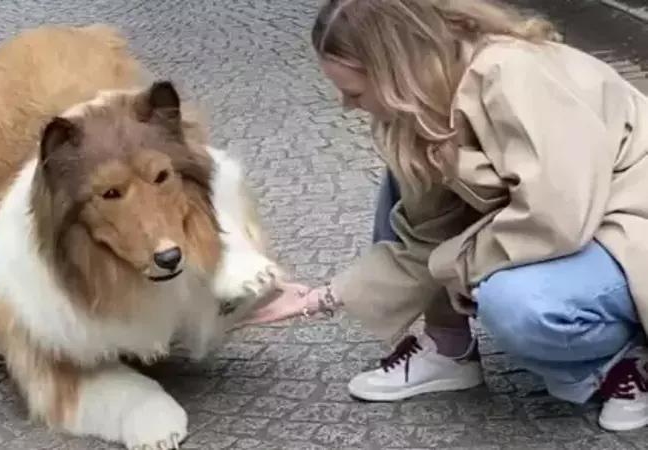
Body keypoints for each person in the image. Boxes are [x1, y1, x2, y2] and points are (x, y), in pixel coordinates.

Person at [246, 0, 648, 432]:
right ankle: (447, 346)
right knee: (404, 187)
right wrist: (320, 298)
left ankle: (624, 358)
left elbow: (556, 219)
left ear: (396, 69)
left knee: (520, 304)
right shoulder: (422, 109)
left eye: (355, 92)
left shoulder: (511, 74)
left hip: (628, 222)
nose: (347, 105)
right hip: (578, 225)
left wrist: (455, 264)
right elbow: (424, 234)